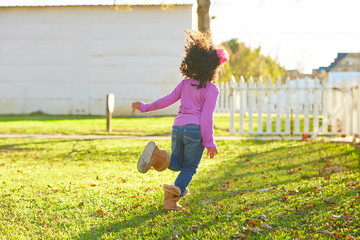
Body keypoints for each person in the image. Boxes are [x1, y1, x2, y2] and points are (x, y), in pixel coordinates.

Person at [131, 30, 229, 211]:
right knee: (190, 167)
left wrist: (145, 107)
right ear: (213, 69)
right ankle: (172, 199)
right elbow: (206, 118)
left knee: (176, 163)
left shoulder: (185, 84)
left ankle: (157, 155)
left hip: (178, 128)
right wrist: (209, 142)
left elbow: (167, 100)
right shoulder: (212, 90)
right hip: (195, 131)